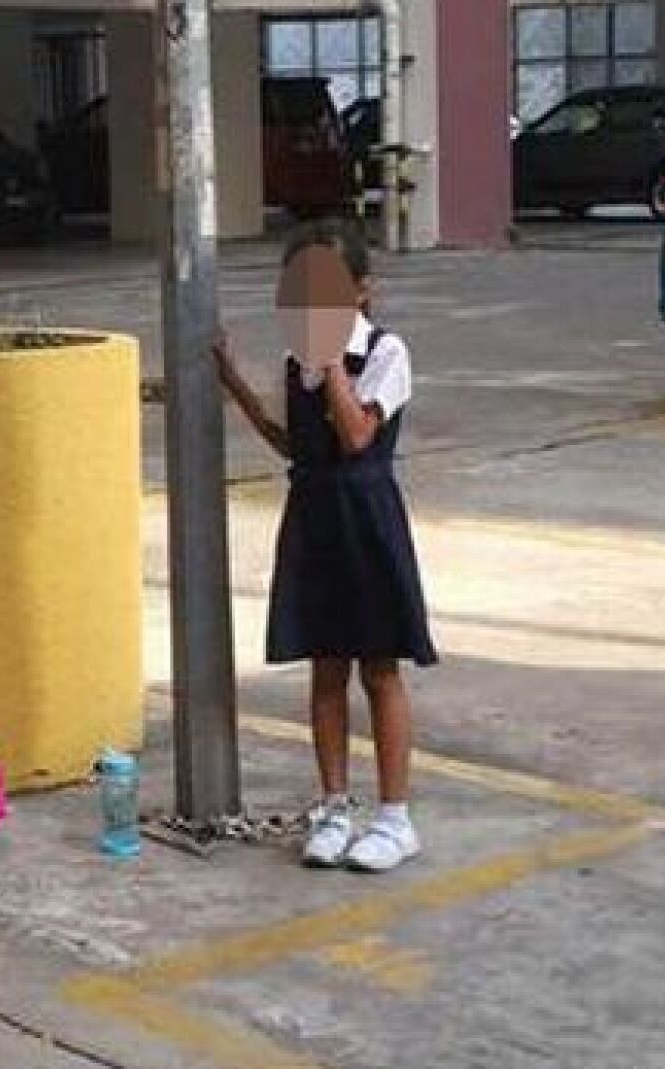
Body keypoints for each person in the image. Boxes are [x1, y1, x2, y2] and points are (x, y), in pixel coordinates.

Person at [213, 219, 438, 873]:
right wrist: (239, 388)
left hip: (364, 518)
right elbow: (299, 444)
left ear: (361, 292)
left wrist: (334, 355)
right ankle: (335, 801)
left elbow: (356, 435)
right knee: (326, 667)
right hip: (313, 517)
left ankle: (396, 817)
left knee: (379, 667)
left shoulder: (387, 354)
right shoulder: (299, 364)